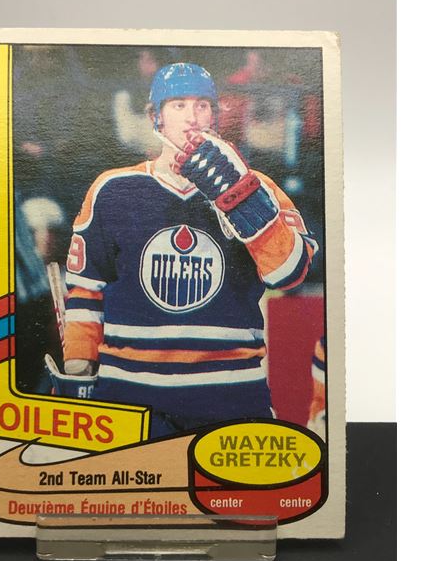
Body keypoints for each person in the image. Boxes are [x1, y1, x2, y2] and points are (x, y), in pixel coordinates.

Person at [60, 62, 318, 438]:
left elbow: (290, 274)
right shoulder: (112, 189)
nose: (192, 116)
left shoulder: (258, 186)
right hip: (130, 395)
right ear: (156, 116)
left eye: (202, 105)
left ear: (215, 114)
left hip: (230, 394)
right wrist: (79, 364)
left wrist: (244, 203)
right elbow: (86, 288)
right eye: (178, 104)